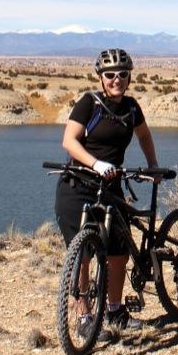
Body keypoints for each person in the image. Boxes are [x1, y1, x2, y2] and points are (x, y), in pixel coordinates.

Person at [55, 48, 159, 332]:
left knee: (118, 250)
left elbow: (145, 135)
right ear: (100, 77)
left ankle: (114, 310)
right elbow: (69, 141)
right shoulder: (90, 103)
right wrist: (95, 163)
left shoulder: (131, 107)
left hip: (110, 185)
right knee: (84, 252)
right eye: (110, 75)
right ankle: (85, 316)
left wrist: (152, 166)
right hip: (79, 185)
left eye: (122, 75)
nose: (116, 80)